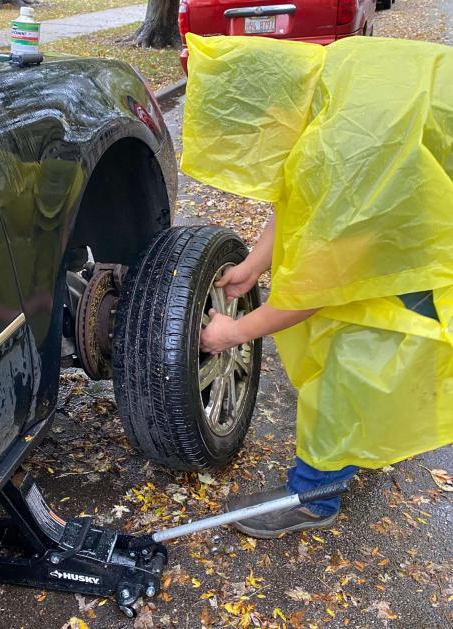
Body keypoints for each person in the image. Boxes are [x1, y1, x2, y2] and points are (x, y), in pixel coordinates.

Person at [182, 33, 453, 539]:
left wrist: (231, 335)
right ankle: (354, 447)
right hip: (416, 190)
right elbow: (305, 194)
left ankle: (314, 495)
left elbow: (319, 288)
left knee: (364, 350)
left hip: (432, 219)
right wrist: (254, 267)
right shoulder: (331, 76)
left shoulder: (354, 144)